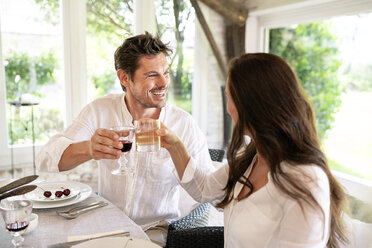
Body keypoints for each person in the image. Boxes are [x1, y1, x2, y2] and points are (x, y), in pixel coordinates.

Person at [36, 32, 215, 246]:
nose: (163, 83)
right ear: (124, 78)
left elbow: (209, 190)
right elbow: (45, 160)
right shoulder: (99, 111)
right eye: (152, 75)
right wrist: (89, 148)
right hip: (105, 223)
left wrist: (176, 149)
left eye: (165, 73)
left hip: (153, 229)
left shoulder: (183, 124)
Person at [158, 53, 348, 247]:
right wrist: (174, 146)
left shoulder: (305, 181)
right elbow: (205, 189)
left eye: (229, 99)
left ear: (250, 105)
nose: (228, 109)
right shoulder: (250, 159)